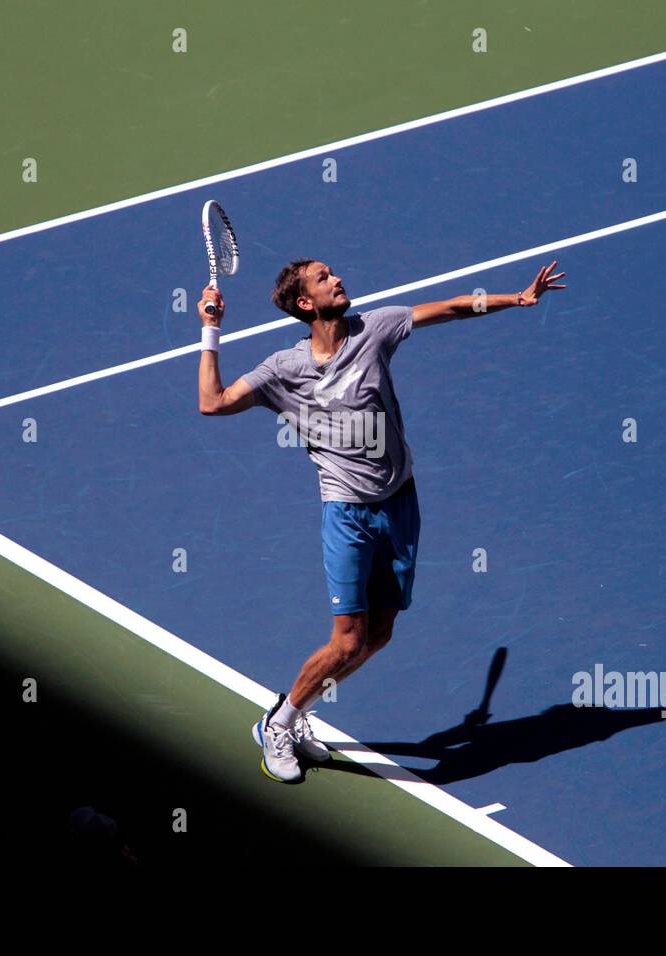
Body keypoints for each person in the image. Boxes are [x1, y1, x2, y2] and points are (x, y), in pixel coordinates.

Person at [197, 258, 566, 781]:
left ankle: (298, 714)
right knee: (348, 639)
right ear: (305, 303)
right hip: (346, 512)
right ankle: (278, 724)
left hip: (400, 502)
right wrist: (211, 328)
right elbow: (211, 403)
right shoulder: (282, 370)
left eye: (334, 272)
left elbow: (452, 308)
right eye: (324, 278)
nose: (339, 278)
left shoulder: (376, 328)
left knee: (380, 634)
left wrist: (516, 299)